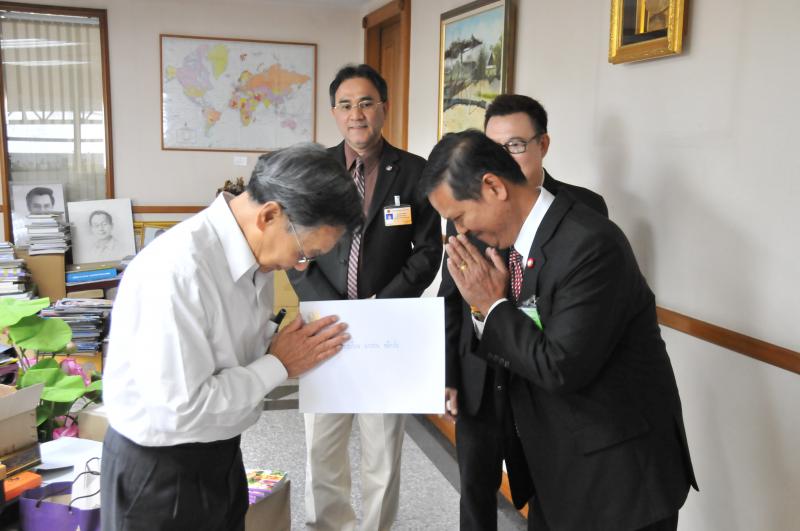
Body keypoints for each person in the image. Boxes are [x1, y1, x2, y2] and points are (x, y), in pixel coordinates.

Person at [421, 130, 697, 531]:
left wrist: (491, 305)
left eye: (460, 217)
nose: (460, 233)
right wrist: (483, 309)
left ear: (494, 187)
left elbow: (560, 366)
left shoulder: (589, 244)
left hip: (619, 480)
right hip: (557, 466)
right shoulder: (516, 246)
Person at [101, 143, 364, 531]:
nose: (299, 266)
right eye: (304, 253)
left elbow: (228, 357)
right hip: (160, 473)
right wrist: (278, 363)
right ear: (269, 215)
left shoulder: (254, 257)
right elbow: (183, 408)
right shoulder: (178, 271)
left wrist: (280, 351)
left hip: (221, 453)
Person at [438, 94, 609, 529]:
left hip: (543, 380)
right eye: (493, 148)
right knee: (475, 490)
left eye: (514, 145)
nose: (502, 159)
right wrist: (448, 375)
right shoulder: (467, 213)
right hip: (481, 377)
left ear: (542, 144)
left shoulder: (583, 211)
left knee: (546, 486)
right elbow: (450, 299)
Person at [287, 64, 442, 531]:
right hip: (324, 324)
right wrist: (330, 306)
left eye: (367, 103)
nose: (357, 114)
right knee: (323, 444)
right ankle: (327, 525)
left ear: (384, 108)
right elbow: (294, 247)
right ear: (334, 112)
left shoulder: (414, 171)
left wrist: (382, 304)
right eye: (346, 105)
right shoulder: (313, 171)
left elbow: (428, 251)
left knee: (383, 446)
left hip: (387, 325)